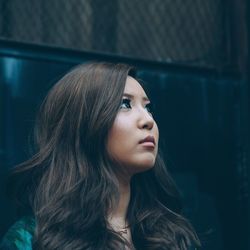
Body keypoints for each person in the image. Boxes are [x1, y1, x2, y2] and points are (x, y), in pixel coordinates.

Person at [0, 62, 200, 249]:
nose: (148, 120)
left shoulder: (172, 235)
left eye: (148, 107)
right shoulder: (30, 237)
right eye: (125, 104)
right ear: (82, 124)